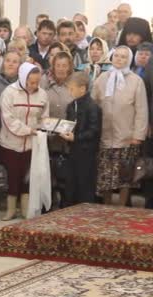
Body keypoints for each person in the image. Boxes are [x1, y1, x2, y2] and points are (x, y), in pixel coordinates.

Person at [92, 45, 148, 206]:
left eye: (123, 57)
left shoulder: (136, 81)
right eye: (117, 56)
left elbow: (141, 110)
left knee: (125, 176)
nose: (119, 59)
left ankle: (122, 207)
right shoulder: (102, 78)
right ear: (112, 57)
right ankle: (107, 205)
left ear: (129, 60)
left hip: (126, 137)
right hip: (104, 135)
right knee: (105, 176)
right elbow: (93, 103)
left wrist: (138, 135)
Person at [0, 63, 49, 220]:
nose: (34, 85)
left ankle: (26, 209)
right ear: (22, 78)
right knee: (13, 175)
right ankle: (11, 209)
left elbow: (44, 117)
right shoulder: (9, 93)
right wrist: (28, 130)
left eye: (36, 82)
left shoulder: (43, 95)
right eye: (31, 82)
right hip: (11, 142)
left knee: (28, 176)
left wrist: (44, 128)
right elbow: (8, 119)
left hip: (33, 144)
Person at [60, 72, 101, 206]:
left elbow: (94, 131)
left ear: (82, 88)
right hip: (72, 151)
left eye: (72, 88)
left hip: (87, 153)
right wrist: (63, 130)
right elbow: (69, 123)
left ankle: (86, 211)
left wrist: (76, 137)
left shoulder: (93, 107)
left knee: (85, 184)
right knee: (71, 183)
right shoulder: (71, 105)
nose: (69, 91)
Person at [40, 51, 74, 207]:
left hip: (68, 139)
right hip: (47, 137)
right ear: (53, 67)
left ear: (69, 67)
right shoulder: (44, 83)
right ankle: (49, 202)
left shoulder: (74, 85)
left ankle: (65, 203)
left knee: (65, 173)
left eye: (64, 66)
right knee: (48, 171)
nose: (61, 69)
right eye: (58, 65)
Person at [0, 50, 21, 137]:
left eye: (15, 62)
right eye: (8, 60)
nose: (10, 64)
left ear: (20, 65)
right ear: (3, 63)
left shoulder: (22, 83)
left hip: (15, 130)